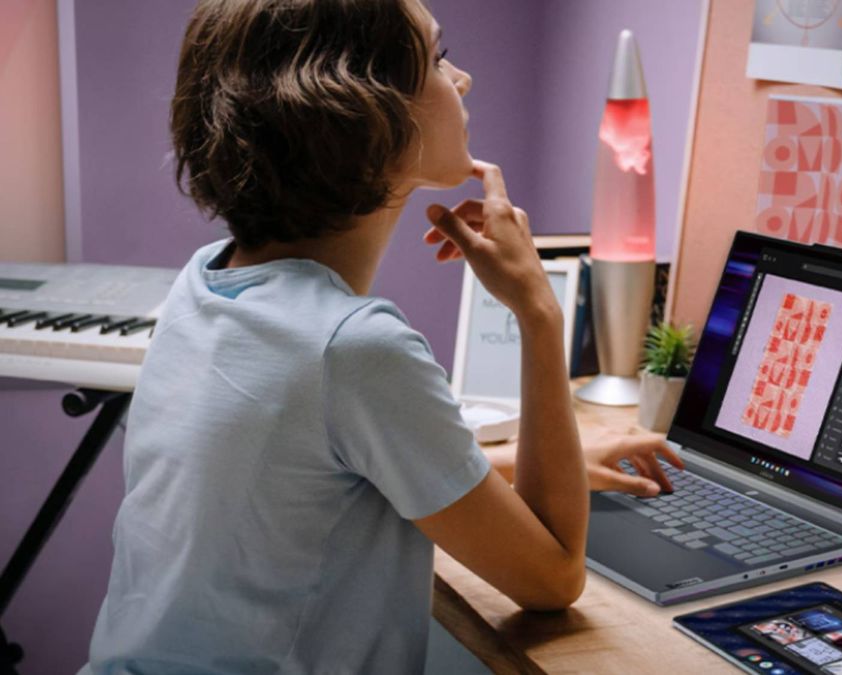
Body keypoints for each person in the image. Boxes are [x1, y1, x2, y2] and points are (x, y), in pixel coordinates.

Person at [83, 0, 682, 672]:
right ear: (364, 115)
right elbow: (552, 576)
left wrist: (539, 459)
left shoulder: (206, 282)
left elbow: (322, 472)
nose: (463, 79)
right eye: (437, 56)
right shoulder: (353, 347)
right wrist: (538, 312)